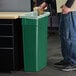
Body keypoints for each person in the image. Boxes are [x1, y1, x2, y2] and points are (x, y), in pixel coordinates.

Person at [38, 0, 76, 71]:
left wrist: (68, 5)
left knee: (70, 36)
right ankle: (67, 59)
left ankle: (73, 62)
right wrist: (46, 2)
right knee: (64, 36)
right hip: (62, 7)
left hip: (70, 8)